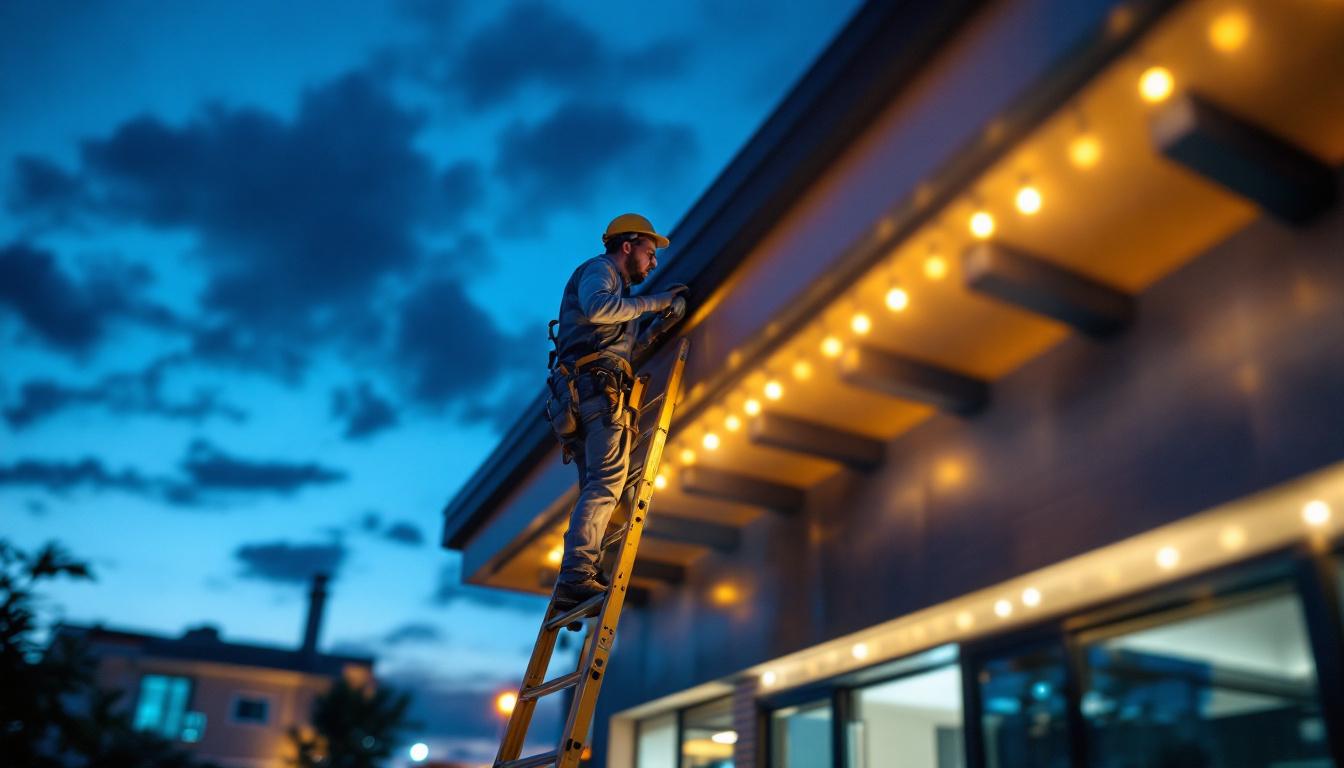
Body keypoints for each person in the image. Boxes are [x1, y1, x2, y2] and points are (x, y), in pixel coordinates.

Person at [548, 213, 688, 608]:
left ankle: (573, 579)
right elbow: (597, 309)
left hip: (583, 395)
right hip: (595, 392)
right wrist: (659, 301)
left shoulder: (619, 297)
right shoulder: (600, 271)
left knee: (596, 488)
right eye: (649, 252)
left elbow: (619, 348)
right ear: (627, 246)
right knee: (607, 482)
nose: (654, 263)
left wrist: (657, 326)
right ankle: (577, 574)